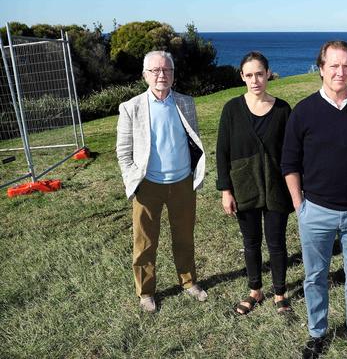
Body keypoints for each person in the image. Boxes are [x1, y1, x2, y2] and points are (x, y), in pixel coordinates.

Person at [282, 40, 347, 359]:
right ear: (321, 69)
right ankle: (317, 332)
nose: (340, 72)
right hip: (315, 212)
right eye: (334, 65)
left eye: (346, 66)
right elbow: (289, 163)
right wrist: (299, 205)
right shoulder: (303, 111)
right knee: (315, 277)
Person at [116, 50, 207, 313]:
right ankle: (146, 292)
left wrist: (194, 173)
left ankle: (189, 281)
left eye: (166, 70)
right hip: (148, 186)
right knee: (144, 242)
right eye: (155, 70)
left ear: (173, 74)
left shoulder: (186, 103)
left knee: (184, 237)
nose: (161, 75)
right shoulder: (131, 107)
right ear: (145, 75)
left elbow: (194, 141)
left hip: (182, 183)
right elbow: (123, 152)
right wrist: (133, 180)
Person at [216, 52, 293, 315]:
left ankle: (280, 292)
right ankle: (255, 291)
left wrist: (296, 187)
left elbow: (293, 152)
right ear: (242, 77)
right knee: (251, 242)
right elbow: (222, 152)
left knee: (277, 242)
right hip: (244, 186)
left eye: (259, 73)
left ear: (268, 73)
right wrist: (226, 191)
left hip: (276, 187)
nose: (255, 80)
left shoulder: (283, 109)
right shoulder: (231, 109)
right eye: (249, 75)